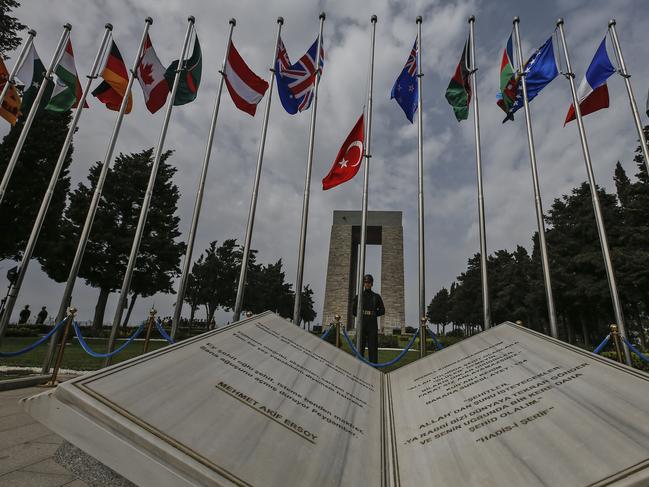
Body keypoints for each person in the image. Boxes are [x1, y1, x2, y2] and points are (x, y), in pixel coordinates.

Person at [352, 274, 385, 363]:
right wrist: (362, 315)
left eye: (369, 282)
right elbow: (354, 311)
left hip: (372, 325)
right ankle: (359, 367)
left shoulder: (376, 297)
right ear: (363, 283)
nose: (367, 284)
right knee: (360, 348)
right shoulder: (359, 296)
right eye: (366, 282)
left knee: (373, 348)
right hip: (362, 324)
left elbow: (382, 310)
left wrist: (373, 314)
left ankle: (374, 368)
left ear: (372, 284)